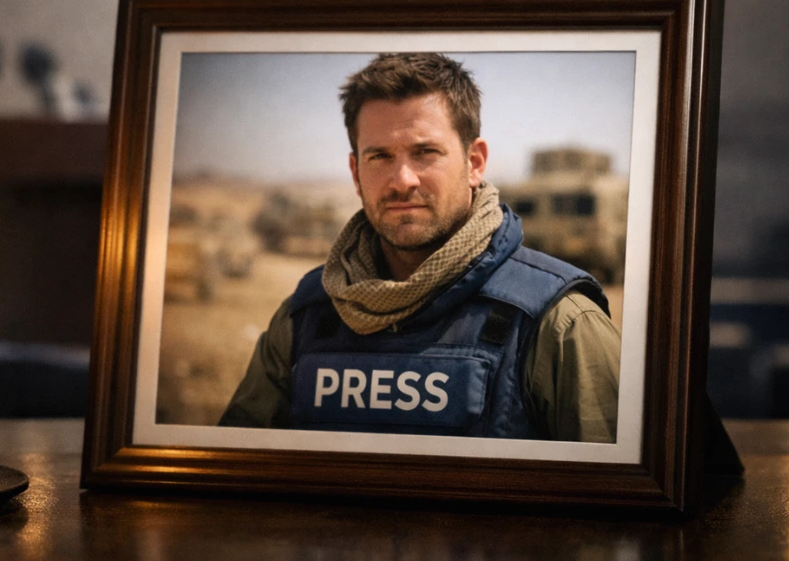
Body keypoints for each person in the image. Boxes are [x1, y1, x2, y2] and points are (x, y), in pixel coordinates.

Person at [218, 53, 621, 443]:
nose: (402, 179)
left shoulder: (558, 323)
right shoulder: (306, 316)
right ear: (356, 173)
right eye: (380, 156)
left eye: (425, 152)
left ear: (475, 161)